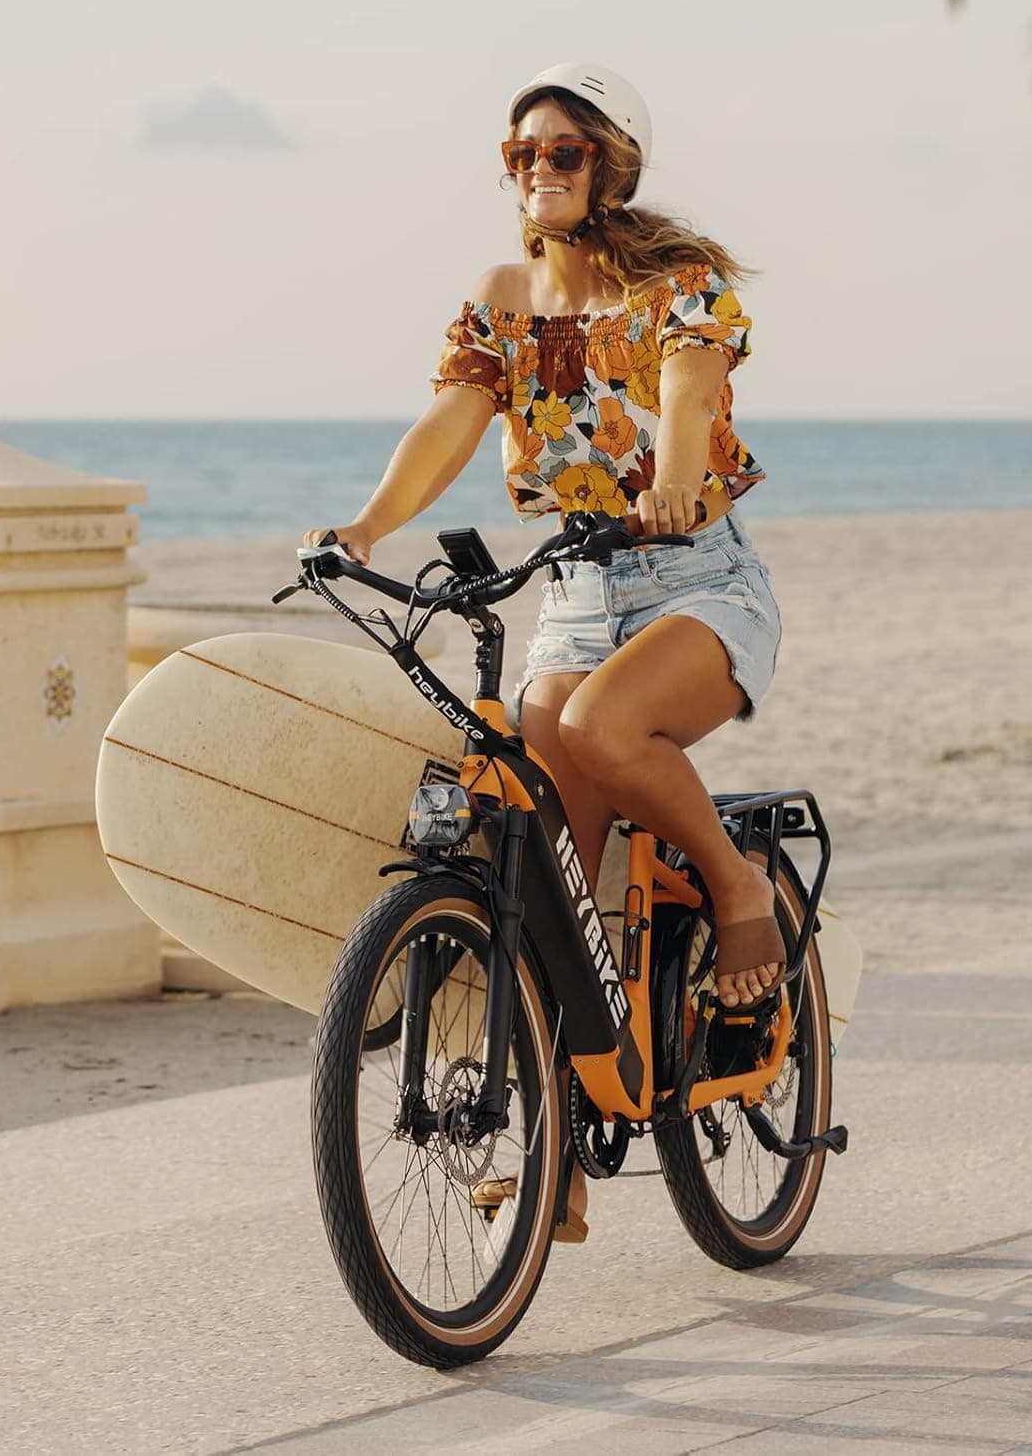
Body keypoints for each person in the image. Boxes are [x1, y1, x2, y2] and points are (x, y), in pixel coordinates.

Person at [305, 62, 785, 1239]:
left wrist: (675, 487)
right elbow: (453, 420)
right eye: (522, 151)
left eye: (563, 149)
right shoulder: (502, 295)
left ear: (608, 163)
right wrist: (364, 528)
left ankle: (738, 889)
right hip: (569, 589)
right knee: (552, 888)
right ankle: (560, 1159)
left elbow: (686, 389)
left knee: (600, 728)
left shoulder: (679, 283)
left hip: (695, 576)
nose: (539, 167)